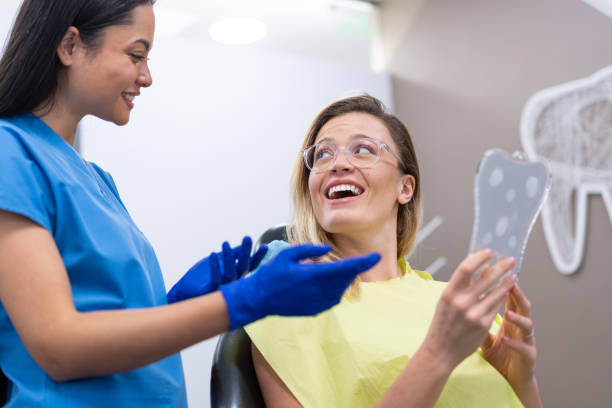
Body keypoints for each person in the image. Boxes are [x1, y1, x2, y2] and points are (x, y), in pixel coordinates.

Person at [0, 1, 381, 406]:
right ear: (70, 46)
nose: (146, 77)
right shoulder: (10, 152)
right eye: (135, 55)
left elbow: (108, 327)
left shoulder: (97, 181)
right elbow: (60, 347)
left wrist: (177, 302)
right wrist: (243, 300)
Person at [245, 95, 544, 407]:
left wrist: (522, 382)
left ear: (406, 188)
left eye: (363, 150)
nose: (338, 164)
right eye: (322, 155)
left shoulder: (455, 305)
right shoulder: (287, 307)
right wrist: (438, 353)